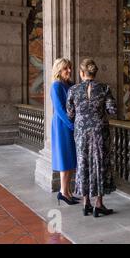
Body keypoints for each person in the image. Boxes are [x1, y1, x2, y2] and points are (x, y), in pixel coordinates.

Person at [66, 58, 118, 218]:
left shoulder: (73, 90)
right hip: (99, 131)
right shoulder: (104, 88)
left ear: (81, 73)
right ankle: (98, 204)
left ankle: (86, 203)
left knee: (83, 163)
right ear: (94, 73)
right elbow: (112, 110)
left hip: (81, 132)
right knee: (99, 163)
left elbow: (70, 113)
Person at [51, 58, 78, 206]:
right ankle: (62, 192)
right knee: (64, 158)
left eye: (69, 68)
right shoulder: (56, 86)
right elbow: (60, 110)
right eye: (65, 68)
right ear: (59, 71)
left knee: (71, 159)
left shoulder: (71, 84)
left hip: (72, 125)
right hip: (62, 126)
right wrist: (72, 126)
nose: (68, 71)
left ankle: (68, 192)